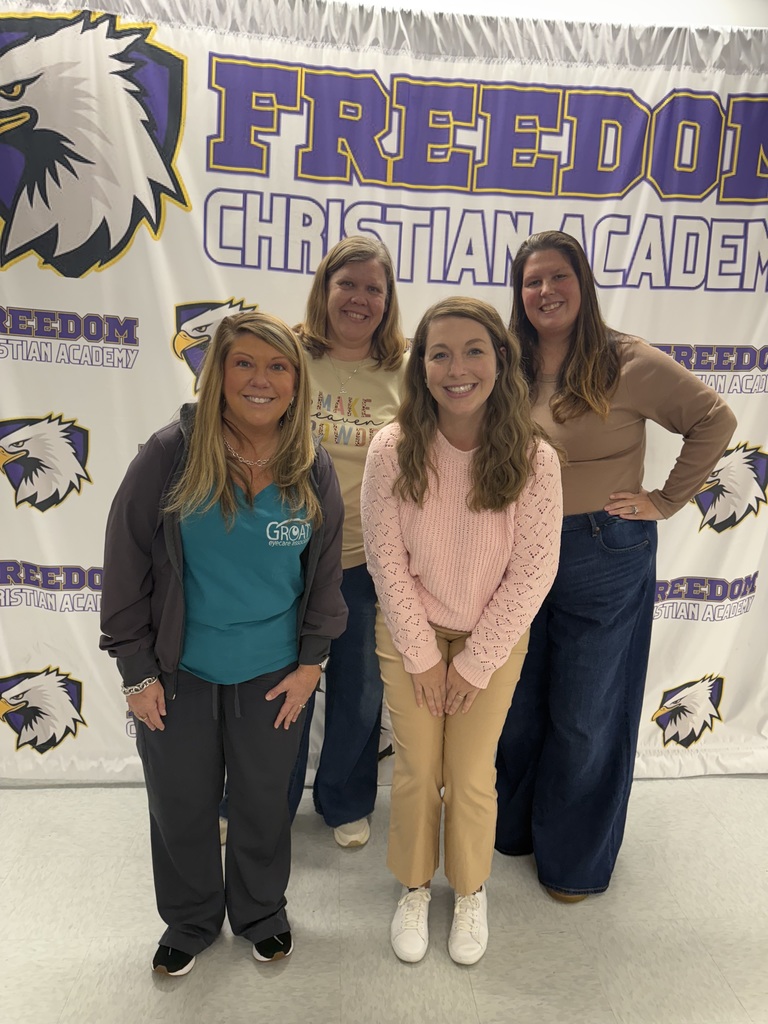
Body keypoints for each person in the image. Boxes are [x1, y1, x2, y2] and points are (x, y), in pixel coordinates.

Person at [100, 311, 347, 975]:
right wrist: (136, 671)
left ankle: (262, 913)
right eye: (243, 364)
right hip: (178, 674)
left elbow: (325, 577)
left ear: (297, 383)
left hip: (273, 674)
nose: (259, 380)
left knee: (265, 805)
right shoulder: (169, 453)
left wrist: (311, 666)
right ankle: (190, 920)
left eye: (277, 367)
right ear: (217, 374)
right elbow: (123, 563)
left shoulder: (312, 464)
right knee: (181, 804)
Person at [495, 230, 737, 902]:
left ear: (583, 283)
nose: (546, 291)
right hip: (516, 551)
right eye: (532, 281)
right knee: (516, 704)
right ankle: (515, 829)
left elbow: (715, 419)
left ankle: (573, 862)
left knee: (585, 713)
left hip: (603, 551)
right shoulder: (507, 361)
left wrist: (665, 500)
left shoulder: (627, 361)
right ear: (519, 294)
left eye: (558, 277)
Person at [361, 297, 562, 965]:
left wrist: (474, 664)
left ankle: (470, 889)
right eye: (438, 352)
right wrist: (422, 656)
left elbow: (532, 573)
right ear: (420, 367)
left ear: (501, 362)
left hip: (493, 639)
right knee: (419, 768)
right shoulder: (391, 449)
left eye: (473, 350)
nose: (456, 367)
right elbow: (385, 559)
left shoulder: (536, 459)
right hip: (411, 631)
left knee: (471, 772)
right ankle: (415, 885)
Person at [289, 235, 408, 848]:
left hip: (369, 559)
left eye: (374, 289)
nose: (360, 299)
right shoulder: (288, 351)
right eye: (349, 284)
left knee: (361, 691)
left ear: (387, 302)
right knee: (279, 684)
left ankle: (345, 798)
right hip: (285, 556)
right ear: (325, 288)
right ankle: (261, 801)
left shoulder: (408, 369)